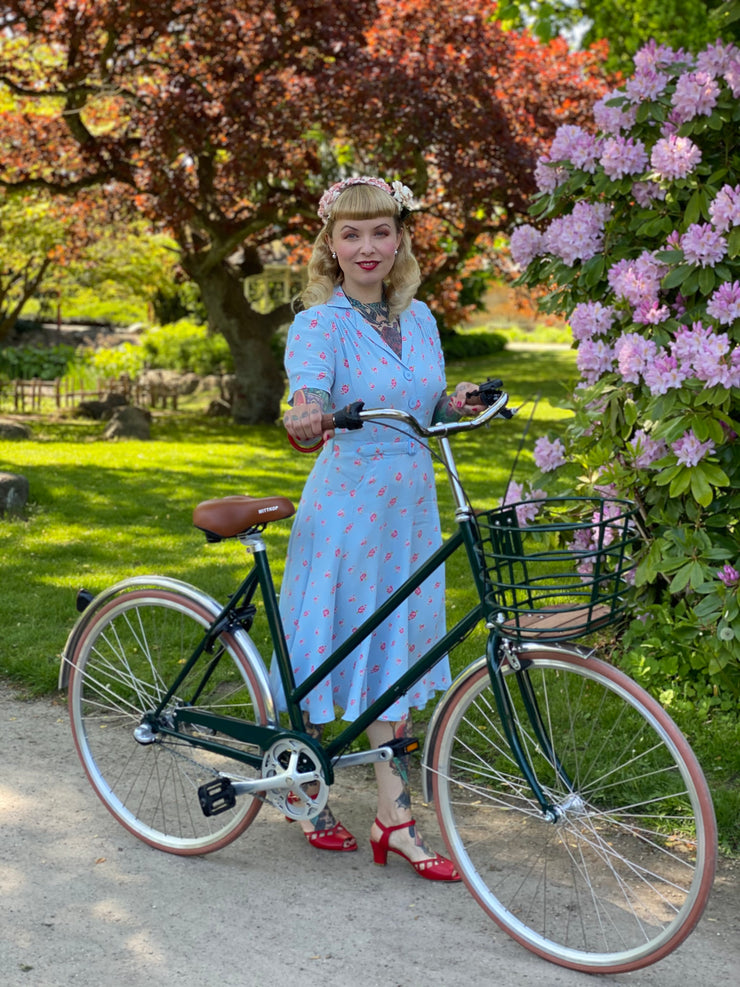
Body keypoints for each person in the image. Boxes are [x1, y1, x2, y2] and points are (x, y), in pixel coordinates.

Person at [273, 175, 484, 882]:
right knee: (333, 639)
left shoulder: (419, 319)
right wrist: (307, 414)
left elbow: (427, 404)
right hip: (348, 506)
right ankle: (299, 781)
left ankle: (394, 815)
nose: (368, 247)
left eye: (381, 232)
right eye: (352, 234)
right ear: (331, 246)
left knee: (399, 652)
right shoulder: (319, 325)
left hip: (411, 506)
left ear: (400, 241)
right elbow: (308, 397)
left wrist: (457, 401)